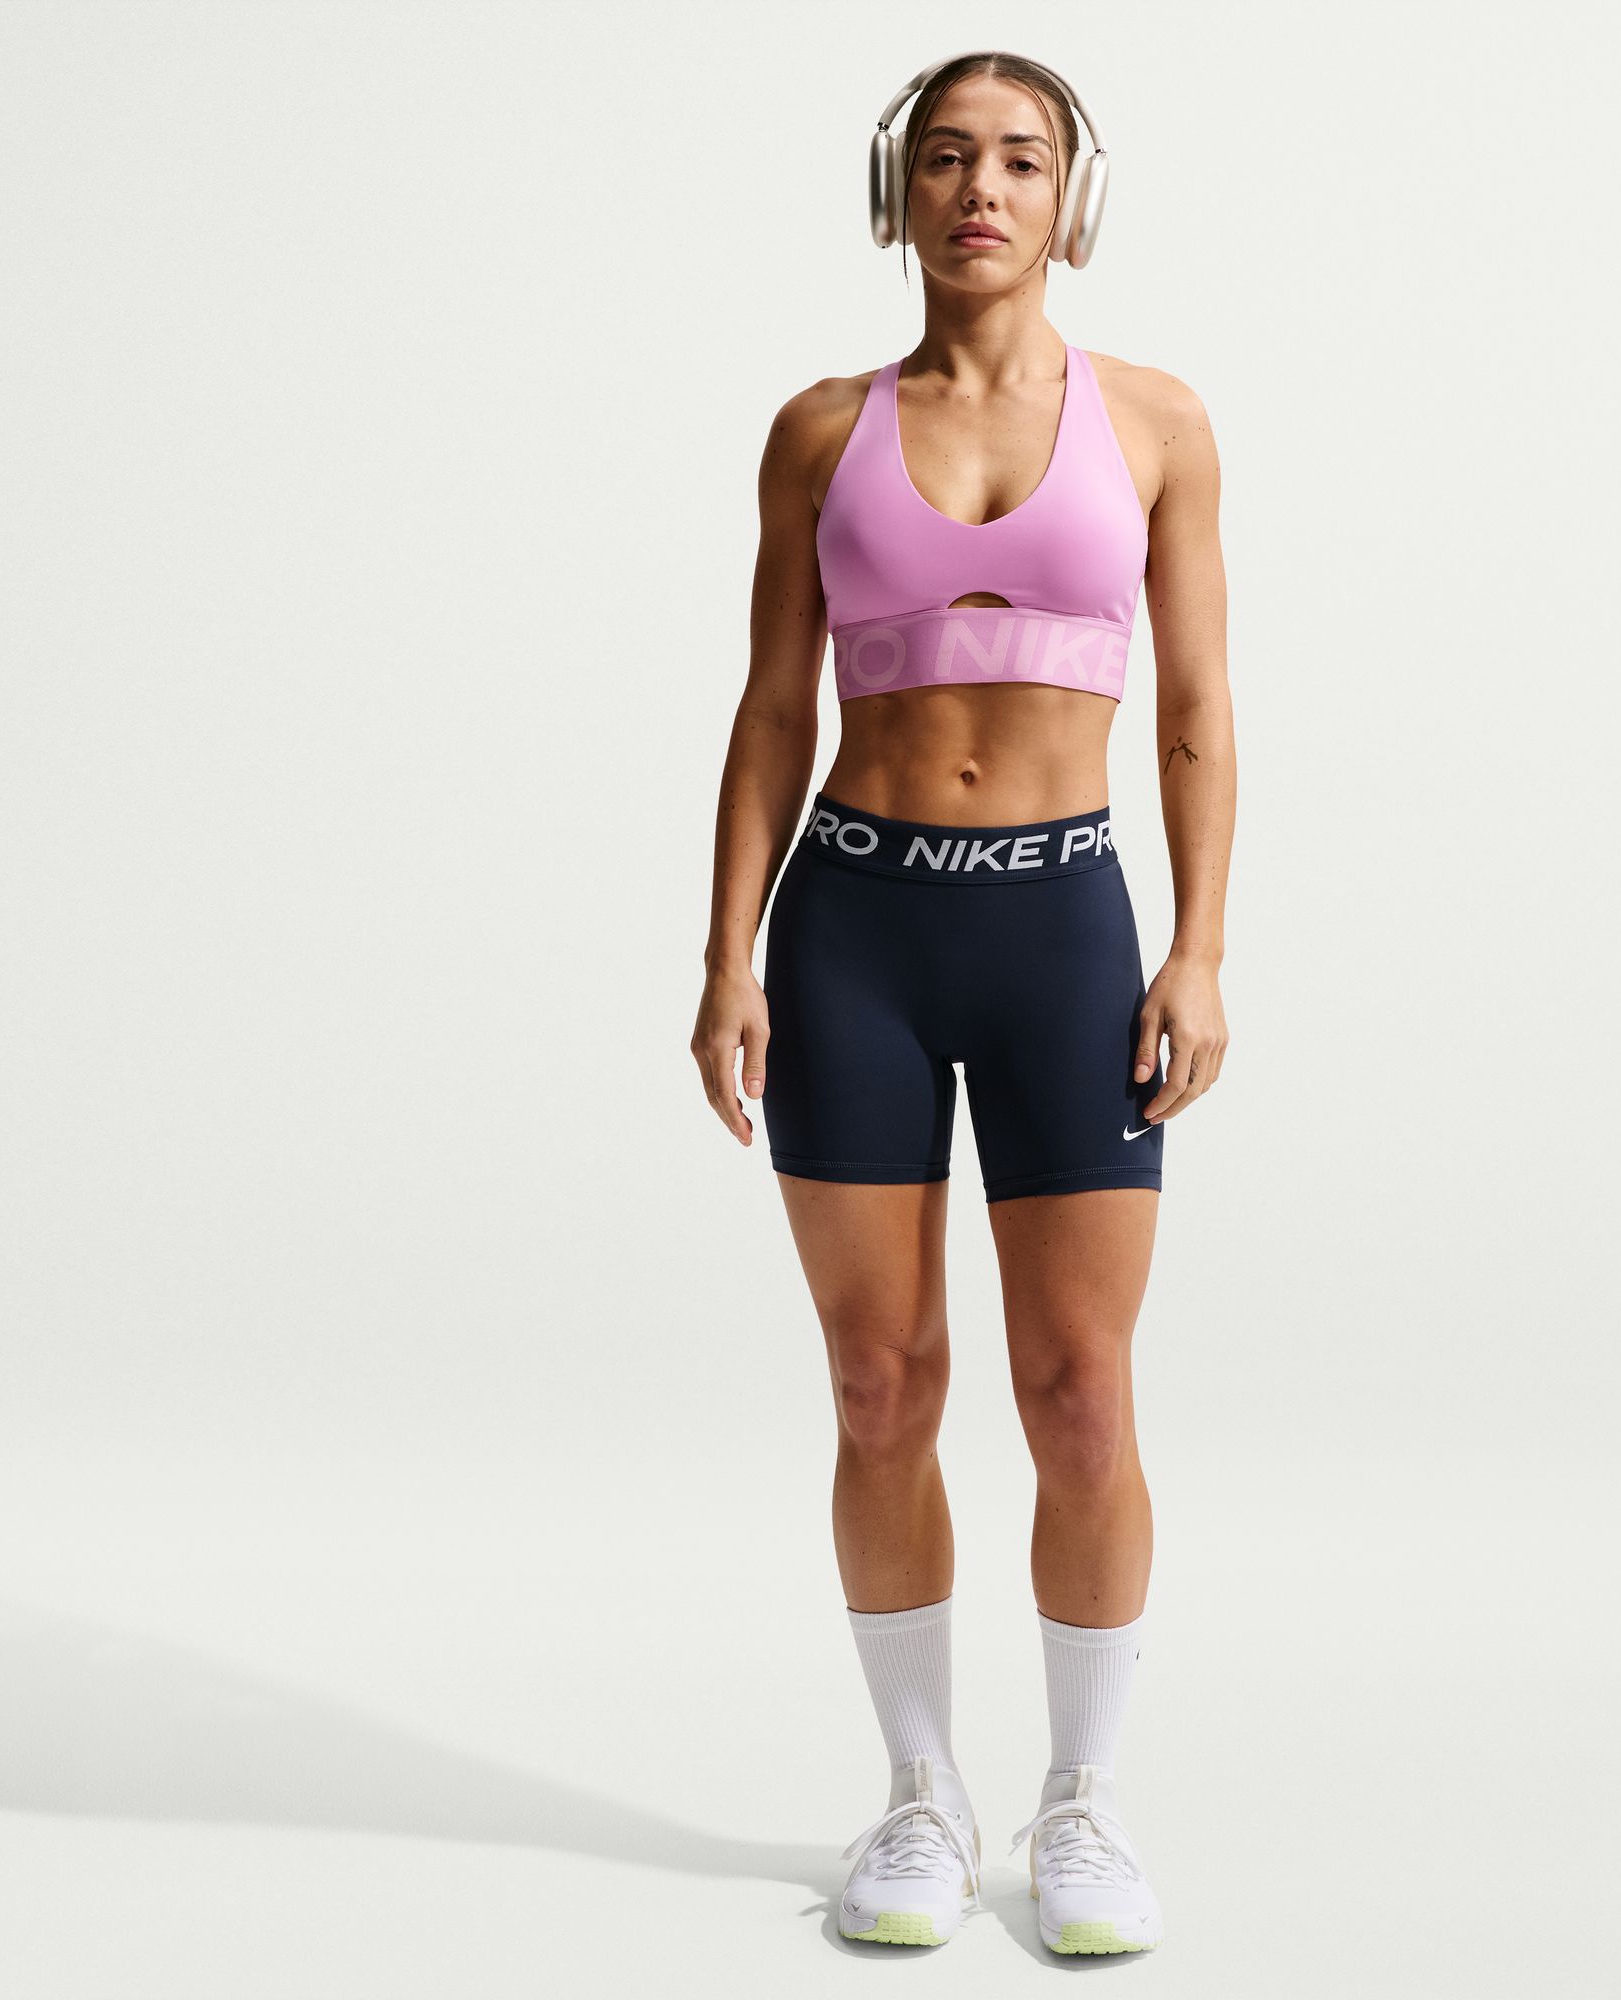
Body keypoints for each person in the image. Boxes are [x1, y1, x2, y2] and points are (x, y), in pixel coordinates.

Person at [690, 48, 1235, 1955]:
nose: (980, 190)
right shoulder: (816, 430)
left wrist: (1199, 949)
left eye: (1018, 158)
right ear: (896, 192)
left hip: (1063, 931)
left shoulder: (1156, 422)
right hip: (856, 929)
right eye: (944, 158)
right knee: (880, 1383)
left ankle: (1084, 1803)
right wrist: (729, 953)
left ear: (1073, 196)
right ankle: (921, 1795)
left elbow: (1194, 707)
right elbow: (773, 707)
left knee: (1080, 1392)